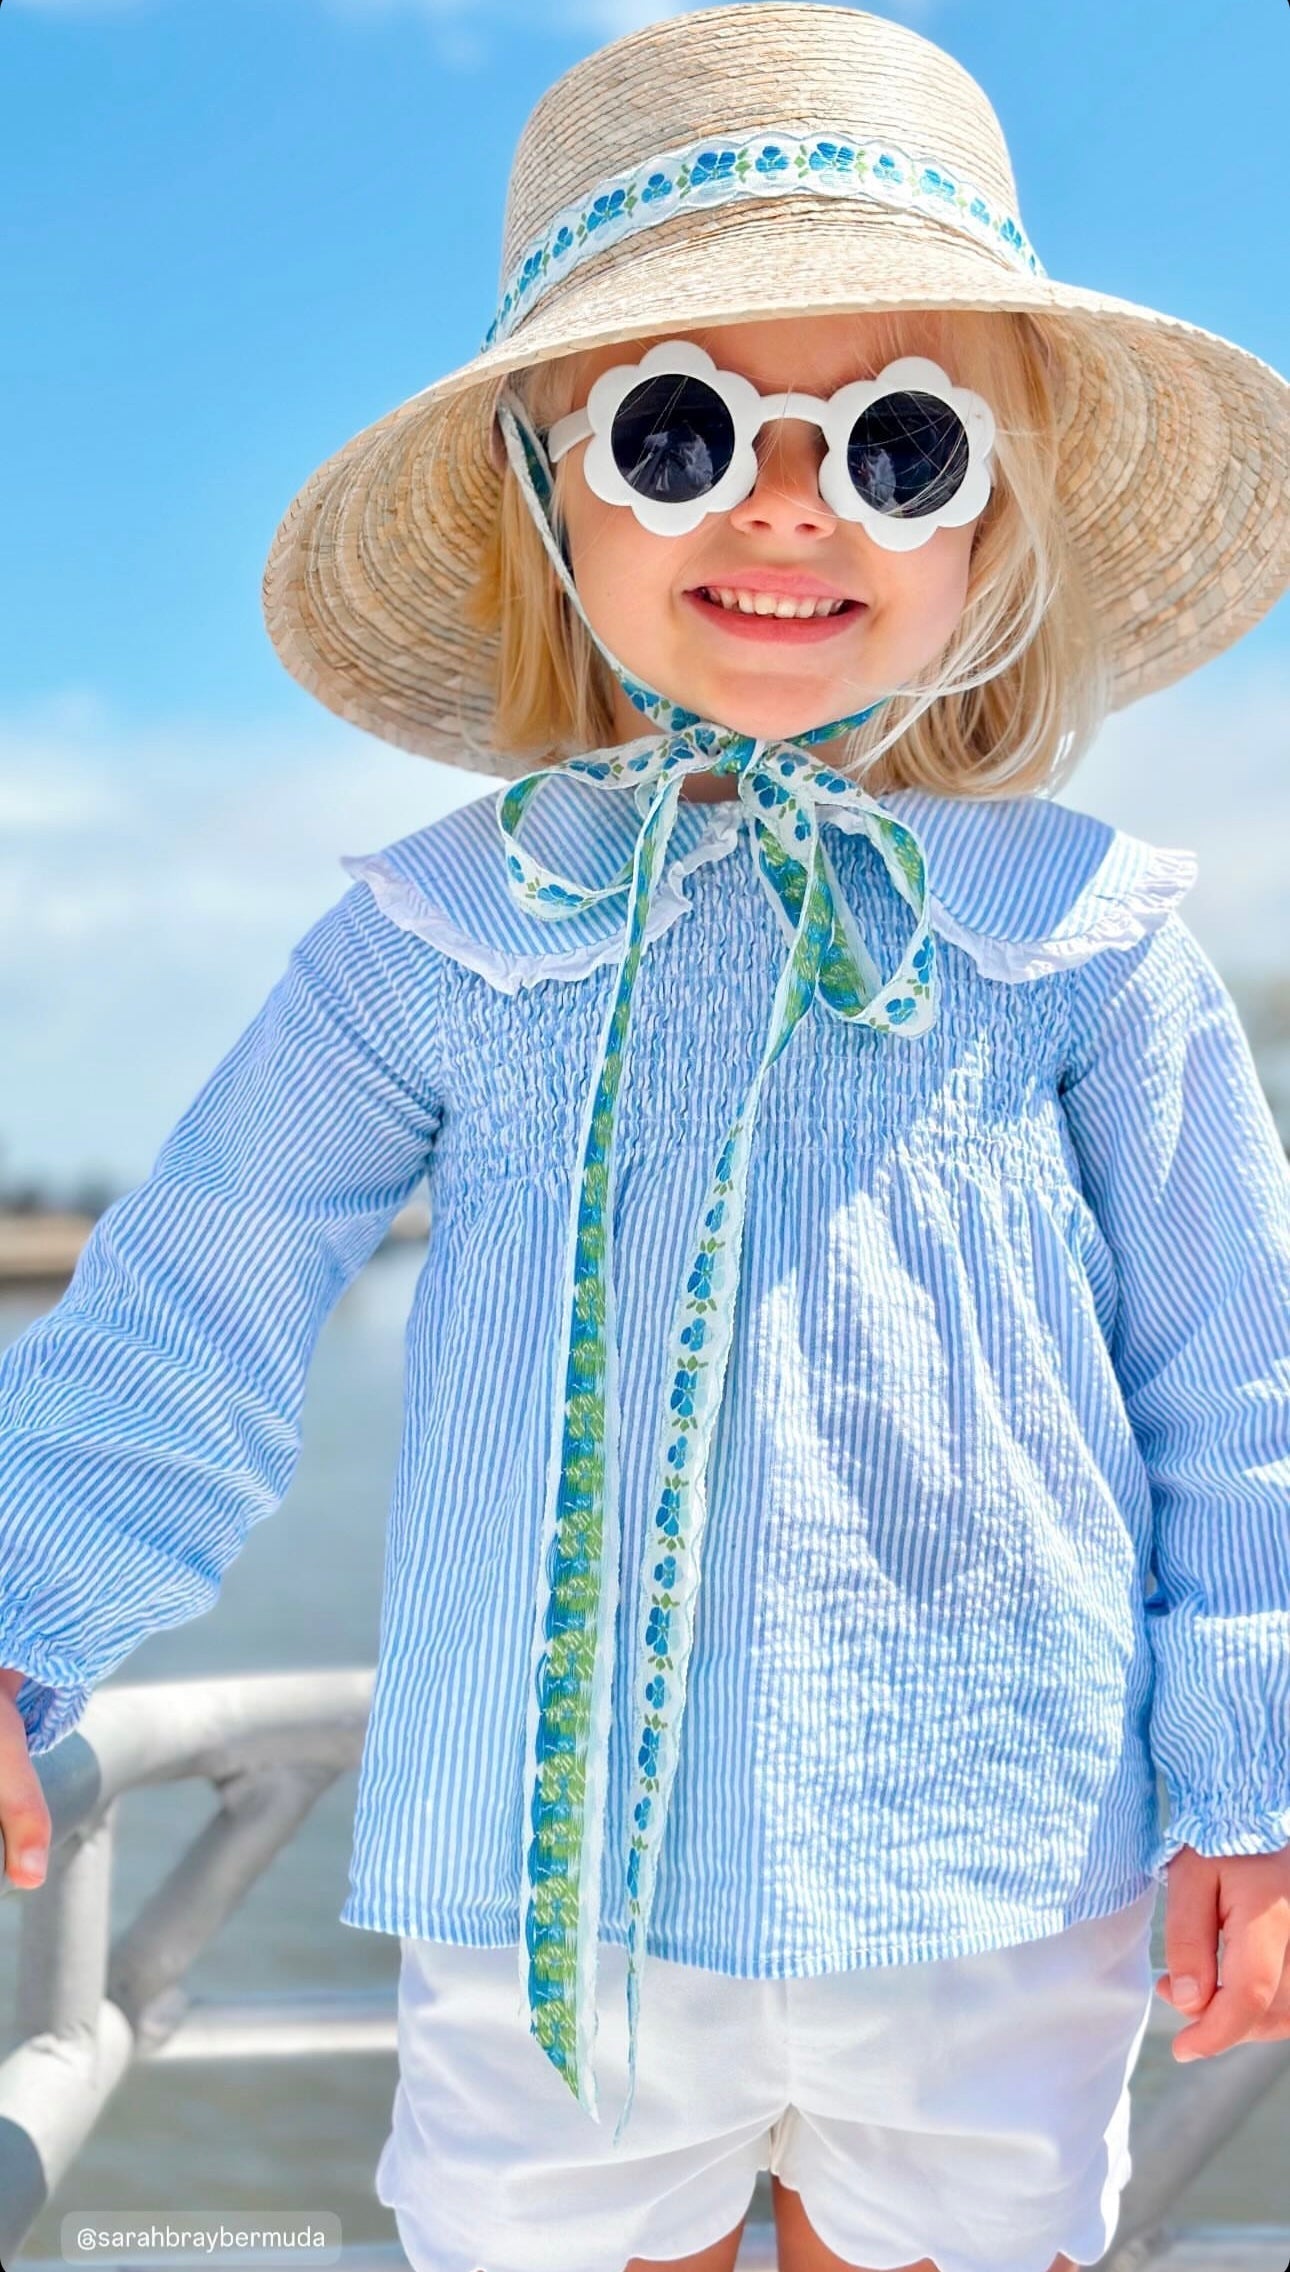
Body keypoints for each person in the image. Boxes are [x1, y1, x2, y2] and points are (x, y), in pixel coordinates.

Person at [1, 7, 1288, 2270]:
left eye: (895, 442)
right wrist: (21, 1628)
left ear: (988, 513)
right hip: (546, 1887)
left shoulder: (1087, 936)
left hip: (997, 1862)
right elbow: (198, 1298)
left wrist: (1253, 1773)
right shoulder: (438, 933)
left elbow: (1239, 1383)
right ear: (549, 490)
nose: (788, 503)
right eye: (680, 433)